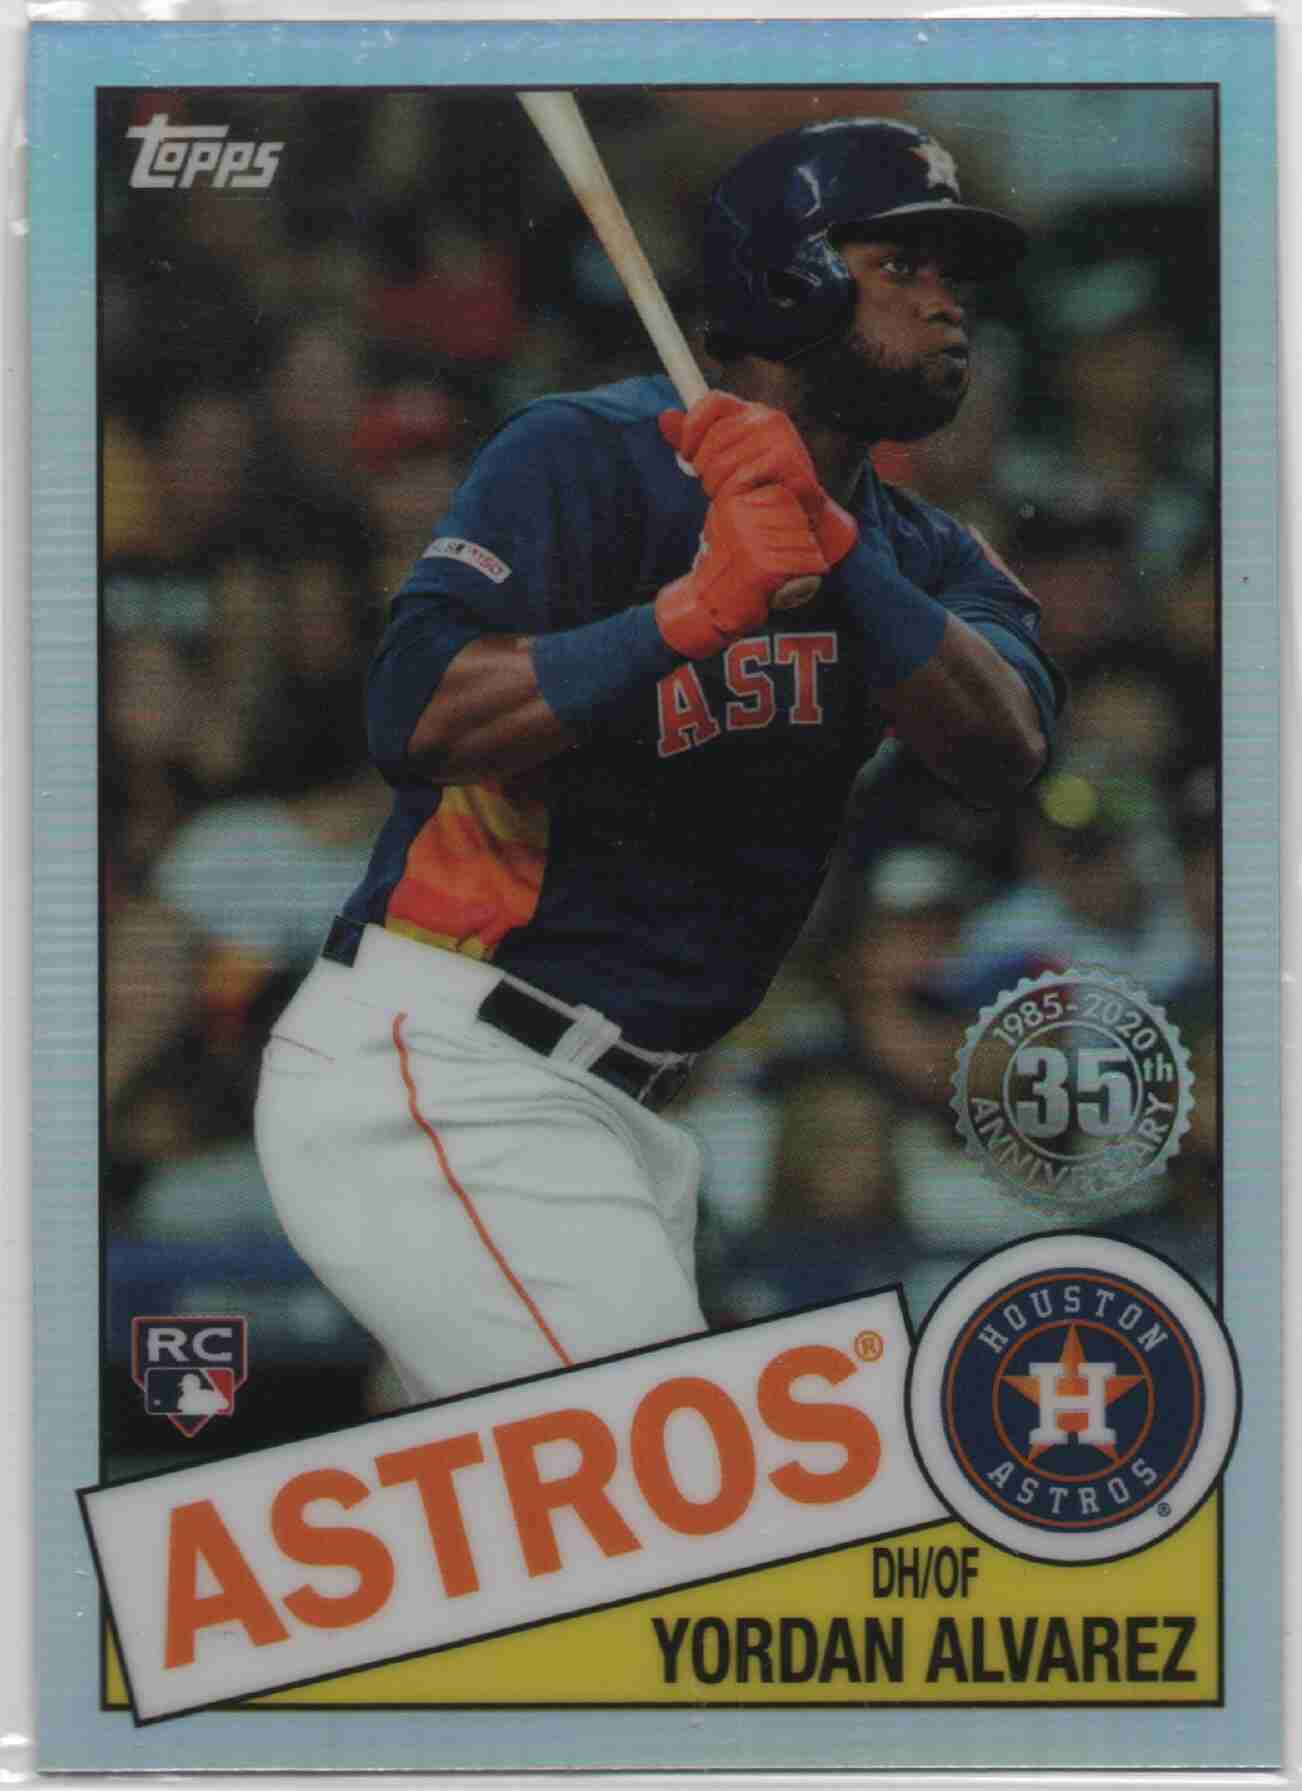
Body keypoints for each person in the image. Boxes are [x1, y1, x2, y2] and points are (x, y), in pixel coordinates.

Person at [254, 117, 1063, 1403]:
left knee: (517, 1522)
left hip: (627, 1117)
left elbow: (1005, 744)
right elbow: (417, 716)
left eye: (949, 272)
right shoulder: (588, 453)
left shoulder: (923, 553)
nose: (946, 300)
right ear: (790, 278)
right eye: (902, 265)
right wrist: (684, 616)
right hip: (455, 1068)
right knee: (675, 1476)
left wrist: (834, 546)